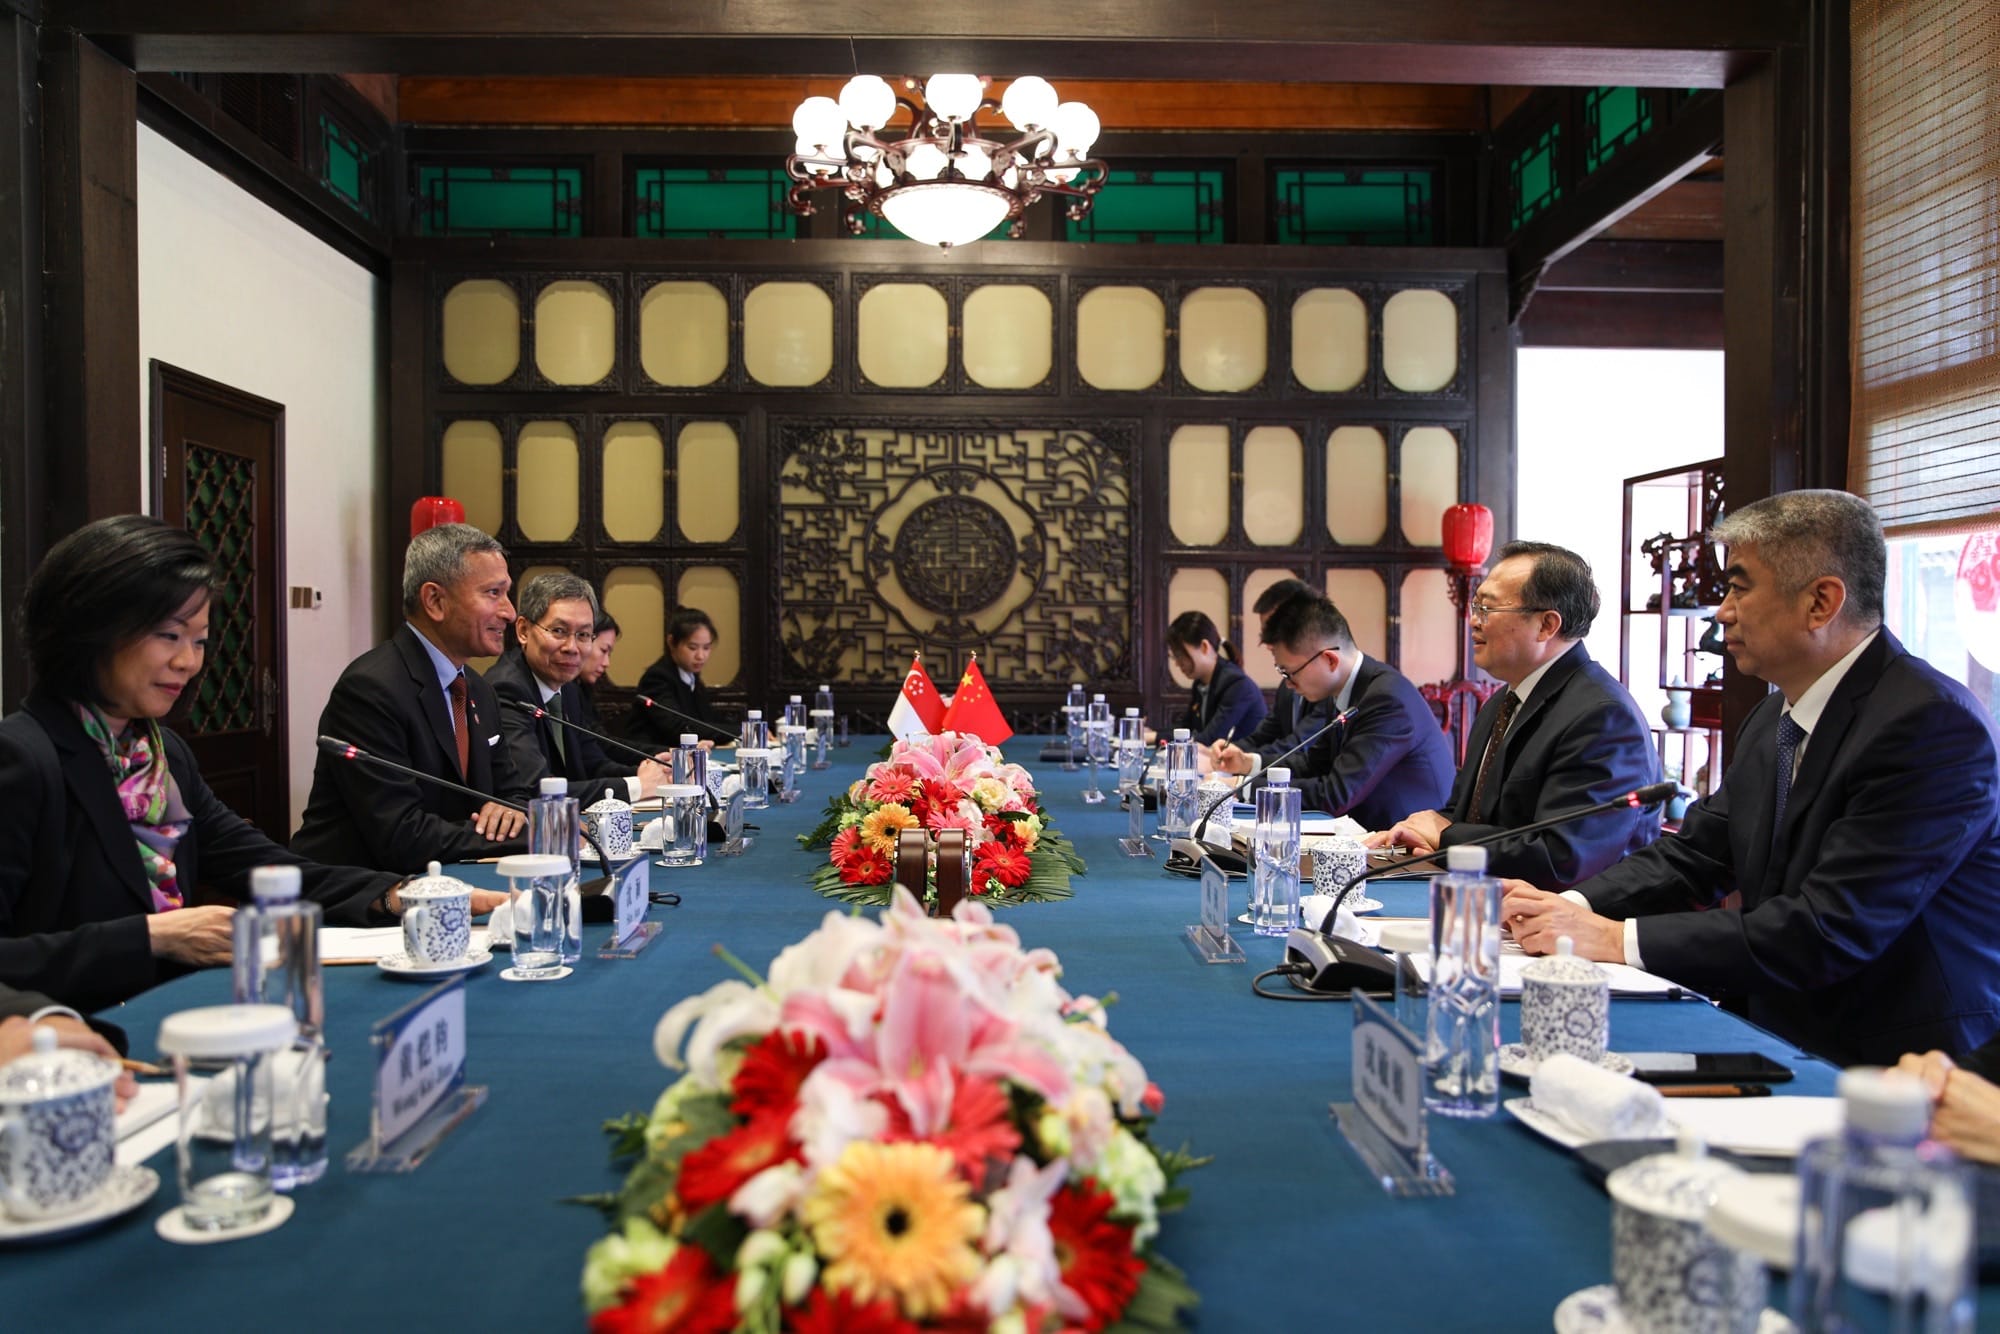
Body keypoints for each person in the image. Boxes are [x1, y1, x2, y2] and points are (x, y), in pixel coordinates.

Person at [1503, 492, 2000, 1067]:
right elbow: (1694, 858)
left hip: (1891, 1060)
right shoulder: (1775, 715)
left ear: (1821, 602)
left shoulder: (1929, 723)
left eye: (1739, 587)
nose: (1721, 611)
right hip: (1771, 1026)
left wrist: (1615, 939)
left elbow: (1829, 928)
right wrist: (1564, 907)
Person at [0, 517, 445, 1014]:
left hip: (173, 1017)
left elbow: (264, 865)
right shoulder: (22, 757)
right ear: (88, 629)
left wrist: (402, 895)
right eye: (169, 636)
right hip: (64, 1046)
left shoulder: (161, 754)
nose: (188, 662)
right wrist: (149, 936)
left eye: (199, 641)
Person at [1369, 541, 1659, 887]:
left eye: (1488, 609)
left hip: (1565, 924)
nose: (1473, 621)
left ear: (1546, 625)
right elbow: (1463, 813)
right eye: (1476, 606)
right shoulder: (1502, 701)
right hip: (1483, 899)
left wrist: (1447, 838)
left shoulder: (1603, 716)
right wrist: (1422, 829)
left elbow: (1563, 856)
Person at [293, 523, 535, 871]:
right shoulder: (371, 689)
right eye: (493, 593)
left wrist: (512, 811)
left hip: (453, 882)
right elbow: (402, 836)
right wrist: (521, 835)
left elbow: (514, 791)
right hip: (363, 901)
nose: (509, 612)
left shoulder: (478, 689)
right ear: (435, 600)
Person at [1211, 597, 1454, 831]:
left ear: (1329, 659)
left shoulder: (1387, 700)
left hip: (1406, 850)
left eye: (1289, 672)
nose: (1288, 684)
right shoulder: (1344, 690)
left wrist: (1241, 787)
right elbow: (1314, 763)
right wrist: (1248, 763)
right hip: (1367, 834)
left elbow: (1335, 795)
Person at [486, 573, 668, 801]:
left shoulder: (567, 688)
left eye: (583, 635)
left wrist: (657, 774)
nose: (572, 647)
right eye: (559, 631)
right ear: (523, 630)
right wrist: (638, 786)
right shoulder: (507, 689)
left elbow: (594, 765)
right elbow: (537, 790)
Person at [1227, 578, 1325, 766]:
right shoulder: (1287, 684)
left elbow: (1299, 745)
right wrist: (1230, 751)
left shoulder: (1329, 685)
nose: (1267, 643)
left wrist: (1247, 761)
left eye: (1273, 631)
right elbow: (1264, 735)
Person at [627, 607, 729, 750]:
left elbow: (707, 719)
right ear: (672, 642)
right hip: (655, 757)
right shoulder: (657, 678)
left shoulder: (692, 677)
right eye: (693, 648)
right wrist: (739, 732)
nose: (701, 656)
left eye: (706, 648)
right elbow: (678, 726)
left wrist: (744, 729)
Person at [1165, 610, 1267, 746]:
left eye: (1180, 655)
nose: (1177, 663)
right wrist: (1151, 736)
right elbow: (1186, 728)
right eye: (1175, 657)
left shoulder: (1236, 684)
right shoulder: (1200, 683)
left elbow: (1211, 738)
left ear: (1204, 647)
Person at [577, 609, 619, 730]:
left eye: (609, 654)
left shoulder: (583, 689)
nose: (607, 663)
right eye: (603, 651)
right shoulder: (564, 689)